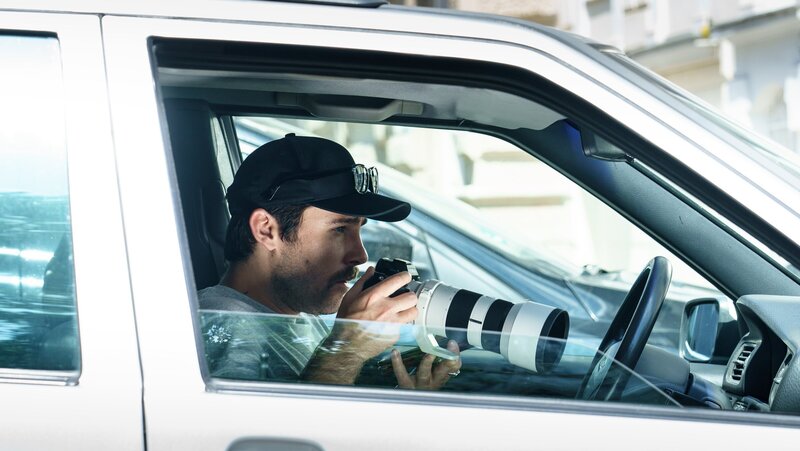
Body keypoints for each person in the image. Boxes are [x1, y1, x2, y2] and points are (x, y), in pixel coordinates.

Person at [199, 133, 461, 388]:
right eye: (339, 229)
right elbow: (260, 433)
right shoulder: (224, 323)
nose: (360, 255)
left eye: (359, 229)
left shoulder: (294, 313)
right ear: (267, 230)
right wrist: (348, 346)